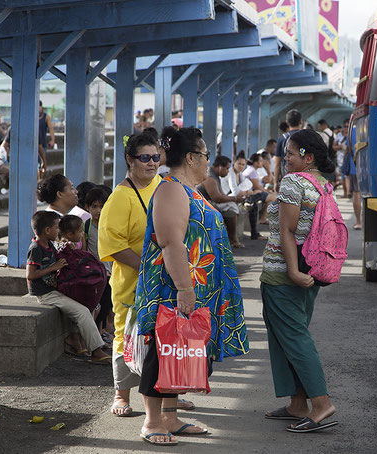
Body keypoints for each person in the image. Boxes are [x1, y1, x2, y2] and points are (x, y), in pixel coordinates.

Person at [135, 126, 249, 445]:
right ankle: (153, 420)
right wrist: (185, 288)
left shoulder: (188, 189)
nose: (207, 162)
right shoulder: (172, 190)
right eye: (205, 155)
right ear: (191, 157)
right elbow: (171, 242)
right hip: (173, 288)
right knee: (165, 350)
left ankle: (170, 417)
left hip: (195, 289)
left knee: (181, 352)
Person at [98, 132, 195, 417]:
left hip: (162, 280)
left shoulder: (162, 187)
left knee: (164, 335)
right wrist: (149, 265)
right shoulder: (120, 197)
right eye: (145, 158)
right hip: (132, 282)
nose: (152, 163)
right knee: (126, 335)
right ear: (130, 159)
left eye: (156, 157)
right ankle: (121, 395)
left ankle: (169, 396)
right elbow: (113, 246)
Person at [259, 129, 338, 433]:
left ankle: (321, 404)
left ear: (308, 156)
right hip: (312, 271)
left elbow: (287, 230)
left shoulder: (294, 181)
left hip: (285, 273)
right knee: (289, 336)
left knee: (294, 338)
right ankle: (296, 402)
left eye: (291, 153)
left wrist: (291, 271)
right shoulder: (323, 185)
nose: (287, 158)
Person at [26, 211, 111, 365]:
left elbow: (59, 251)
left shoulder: (49, 244)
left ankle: (75, 339)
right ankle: (97, 351)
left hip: (54, 289)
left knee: (87, 303)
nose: (59, 231)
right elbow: (30, 275)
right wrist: (53, 267)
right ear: (47, 230)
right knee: (82, 312)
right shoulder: (35, 248)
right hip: (45, 294)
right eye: (57, 228)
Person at [84, 186, 114, 344]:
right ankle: (98, 333)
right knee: (98, 304)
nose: (98, 210)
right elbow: (83, 249)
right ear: (87, 207)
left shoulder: (110, 225)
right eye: (94, 206)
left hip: (109, 272)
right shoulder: (86, 226)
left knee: (107, 302)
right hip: (94, 272)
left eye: (102, 206)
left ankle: (102, 330)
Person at [198, 155, 246, 248]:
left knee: (232, 207)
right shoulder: (210, 177)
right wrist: (235, 199)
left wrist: (234, 200)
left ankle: (232, 238)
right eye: (227, 169)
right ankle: (232, 238)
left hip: (210, 203)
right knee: (231, 210)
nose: (228, 172)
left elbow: (222, 195)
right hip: (204, 205)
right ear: (220, 167)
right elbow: (217, 198)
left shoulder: (216, 176)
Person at [242, 154, 275, 238]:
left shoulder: (253, 169)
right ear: (255, 162)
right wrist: (268, 193)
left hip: (252, 192)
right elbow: (257, 187)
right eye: (260, 161)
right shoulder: (252, 170)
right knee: (273, 198)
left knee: (255, 205)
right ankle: (263, 219)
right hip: (249, 193)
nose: (262, 162)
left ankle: (261, 221)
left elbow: (268, 181)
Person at [274, 109, 303, 191]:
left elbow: (277, 163)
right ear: (300, 121)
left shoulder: (282, 138)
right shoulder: (307, 137)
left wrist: (276, 182)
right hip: (304, 178)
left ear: (287, 122)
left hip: (287, 178)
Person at [38, 101, 54, 179]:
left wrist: (53, 140)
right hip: (34, 144)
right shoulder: (32, 117)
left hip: (43, 143)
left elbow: (51, 129)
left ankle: (41, 179)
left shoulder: (46, 117)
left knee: (42, 163)